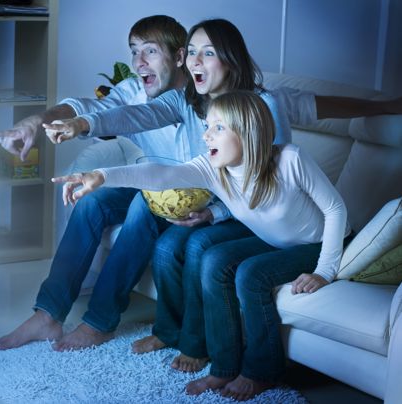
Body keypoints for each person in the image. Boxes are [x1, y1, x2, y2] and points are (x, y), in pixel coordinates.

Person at [42, 17, 400, 371]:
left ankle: (200, 346)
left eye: (207, 53)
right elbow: (139, 127)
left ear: (229, 59)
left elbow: (270, 185)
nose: (194, 61)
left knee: (194, 247)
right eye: (192, 52)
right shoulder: (188, 106)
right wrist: (87, 139)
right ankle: (172, 333)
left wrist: (382, 105)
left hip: (256, 216)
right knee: (158, 235)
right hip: (229, 207)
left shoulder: (265, 111)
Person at [52, 90, 351, 401]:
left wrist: (325, 271)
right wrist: (101, 175)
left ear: (248, 130)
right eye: (207, 126)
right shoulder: (212, 167)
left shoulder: (290, 159)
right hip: (274, 243)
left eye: (218, 127)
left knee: (250, 274)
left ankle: (262, 370)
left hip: (319, 242)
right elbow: (161, 174)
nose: (206, 135)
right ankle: (223, 366)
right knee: (212, 260)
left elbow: (336, 210)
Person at [0, 15, 197, 351]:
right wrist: (37, 121)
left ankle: (100, 322)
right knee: (92, 202)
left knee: (140, 205)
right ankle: (48, 315)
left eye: (150, 51)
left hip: (189, 197)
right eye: (134, 52)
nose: (138, 62)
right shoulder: (136, 89)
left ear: (179, 56)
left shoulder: (200, 93)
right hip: (150, 185)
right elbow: (89, 107)